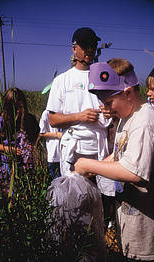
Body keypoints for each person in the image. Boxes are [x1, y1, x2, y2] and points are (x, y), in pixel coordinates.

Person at [74, 59, 154, 261]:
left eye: (108, 102)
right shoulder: (127, 118)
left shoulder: (145, 122)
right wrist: (101, 165)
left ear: (128, 93)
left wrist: (89, 164)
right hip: (131, 224)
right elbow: (121, 154)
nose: (106, 108)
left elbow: (135, 172)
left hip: (147, 233)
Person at [46, 27, 114, 196]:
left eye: (92, 45)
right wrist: (80, 116)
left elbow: (115, 109)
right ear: (74, 48)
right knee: (75, 198)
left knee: (102, 198)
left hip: (100, 149)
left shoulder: (104, 76)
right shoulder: (62, 80)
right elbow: (53, 120)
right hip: (74, 150)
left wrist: (109, 112)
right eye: (85, 46)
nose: (89, 50)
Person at [0, 87, 40, 194]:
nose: (18, 111)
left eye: (21, 107)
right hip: (7, 163)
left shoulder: (29, 119)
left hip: (25, 163)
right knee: (11, 193)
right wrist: (10, 150)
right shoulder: (0, 122)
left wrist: (31, 145)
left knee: (27, 192)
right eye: (15, 108)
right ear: (8, 107)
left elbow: (37, 133)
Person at [39, 109, 62, 181]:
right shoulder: (46, 113)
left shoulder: (66, 111)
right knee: (56, 182)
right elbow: (41, 133)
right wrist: (56, 135)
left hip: (67, 155)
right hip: (54, 155)